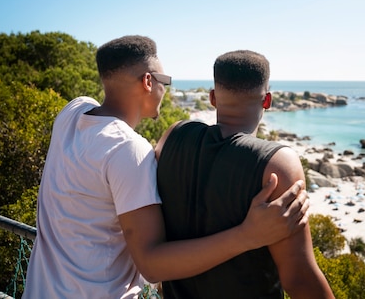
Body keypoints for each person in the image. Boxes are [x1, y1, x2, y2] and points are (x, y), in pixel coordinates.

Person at [23, 36, 309, 299]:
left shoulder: (73, 111)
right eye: (165, 80)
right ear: (148, 81)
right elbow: (151, 265)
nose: (166, 89)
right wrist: (247, 235)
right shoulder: (128, 151)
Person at [156, 49, 335, 299]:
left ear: (212, 98)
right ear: (267, 101)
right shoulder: (277, 164)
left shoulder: (171, 137)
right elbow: (299, 279)